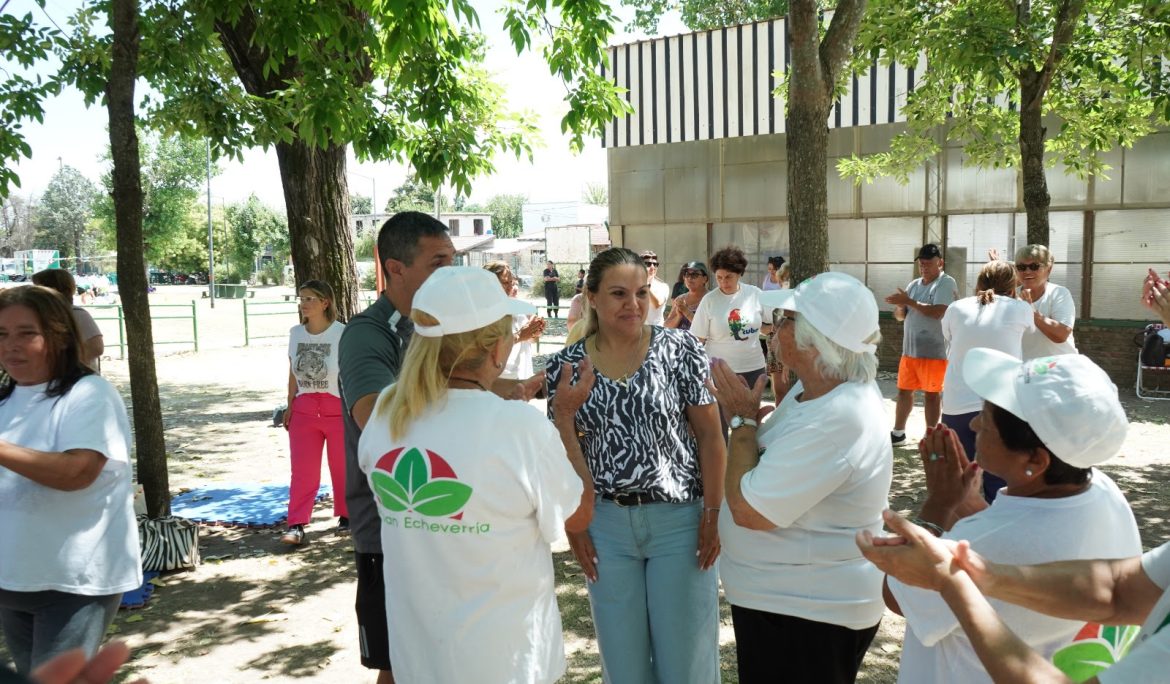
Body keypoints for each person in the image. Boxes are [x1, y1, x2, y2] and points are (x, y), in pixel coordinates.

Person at [858, 354, 1155, 684]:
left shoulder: (992, 540)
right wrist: (968, 503)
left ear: (1034, 459)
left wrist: (939, 505)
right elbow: (1014, 539)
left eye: (985, 423)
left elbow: (897, 593)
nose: (972, 426)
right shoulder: (1102, 491)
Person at [357, 266, 593, 683]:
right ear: (497, 350)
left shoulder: (388, 414)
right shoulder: (519, 428)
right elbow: (577, 515)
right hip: (507, 662)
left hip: (419, 662)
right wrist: (565, 418)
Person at [545, 247, 726, 683]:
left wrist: (713, 513)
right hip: (606, 525)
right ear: (591, 297)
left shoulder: (679, 348)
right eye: (619, 294)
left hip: (679, 522)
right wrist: (576, 525)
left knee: (686, 664)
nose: (633, 304)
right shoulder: (566, 367)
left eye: (641, 293)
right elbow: (560, 455)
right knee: (623, 667)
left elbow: (710, 437)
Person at [706, 271, 891, 684]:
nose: (774, 327)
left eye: (784, 318)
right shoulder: (815, 392)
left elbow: (749, 511)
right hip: (790, 607)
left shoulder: (837, 416)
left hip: (807, 615)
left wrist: (741, 421)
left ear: (814, 339)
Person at [338, 211, 455, 684]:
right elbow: (377, 420)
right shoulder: (369, 333)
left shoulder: (436, 327)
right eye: (438, 262)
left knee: (439, 654)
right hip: (389, 525)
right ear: (396, 269)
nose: (450, 273)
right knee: (396, 665)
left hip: (441, 516)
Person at [0, 286, 140, 675]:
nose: (11, 345)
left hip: (72, 581)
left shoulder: (89, 394)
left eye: (26, 333)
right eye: (1, 334)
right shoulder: (6, 399)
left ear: (58, 336)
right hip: (14, 577)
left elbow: (76, 472)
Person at [939, 260, 1034, 502]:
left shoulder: (956, 308)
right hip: (1003, 404)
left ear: (979, 282)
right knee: (1000, 480)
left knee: (958, 476)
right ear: (1013, 286)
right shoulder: (1021, 309)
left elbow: (949, 337)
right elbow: (1029, 330)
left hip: (957, 401)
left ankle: (956, 531)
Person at [280, 279, 347, 545]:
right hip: (304, 408)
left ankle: (347, 515)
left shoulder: (342, 332)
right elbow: (292, 371)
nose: (304, 304)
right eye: (301, 298)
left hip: (337, 408)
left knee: (342, 467)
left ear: (325, 302)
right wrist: (289, 403)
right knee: (303, 470)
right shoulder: (296, 333)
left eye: (309, 299)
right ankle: (296, 524)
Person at [689, 246, 773, 432]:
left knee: (750, 421)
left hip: (753, 367)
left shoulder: (755, 294)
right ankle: (722, 460)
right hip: (720, 371)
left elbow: (768, 326)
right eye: (719, 277)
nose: (723, 282)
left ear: (739, 274)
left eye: (729, 277)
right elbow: (697, 339)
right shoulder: (710, 300)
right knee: (720, 423)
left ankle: (751, 458)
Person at [886, 243, 958, 446]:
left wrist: (909, 302)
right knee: (903, 391)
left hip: (935, 351)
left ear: (940, 263)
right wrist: (901, 305)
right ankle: (898, 433)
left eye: (929, 263)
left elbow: (938, 311)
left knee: (932, 395)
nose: (924, 267)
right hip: (910, 351)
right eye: (922, 264)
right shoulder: (914, 285)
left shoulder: (946, 282)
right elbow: (900, 317)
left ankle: (931, 435)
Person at [30, 270, 103, 371]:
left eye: (40, 289)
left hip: (75, 381)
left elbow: (96, 348)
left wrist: (58, 366)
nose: (34, 294)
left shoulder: (77, 314)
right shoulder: (41, 315)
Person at [484, 261, 544, 380]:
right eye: (505, 282)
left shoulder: (516, 308)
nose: (511, 287)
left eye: (512, 282)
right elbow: (487, 349)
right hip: (498, 382)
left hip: (519, 378)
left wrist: (534, 332)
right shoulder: (482, 313)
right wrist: (520, 335)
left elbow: (528, 340)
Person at [1015, 245, 1078, 359]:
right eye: (1021, 267)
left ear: (1049, 269)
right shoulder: (1010, 296)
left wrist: (1030, 311)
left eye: (1034, 266)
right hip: (1027, 371)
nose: (1027, 271)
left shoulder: (1059, 293)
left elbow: (1061, 335)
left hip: (1059, 369)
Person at [664, 260, 710, 331]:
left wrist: (685, 311)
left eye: (695, 275)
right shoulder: (681, 298)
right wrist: (679, 317)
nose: (689, 278)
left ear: (705, 279)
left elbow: (707, 329)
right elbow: (666, 327)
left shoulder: (710, 299)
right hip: (681, 341)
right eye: (687, 274)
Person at [639, 250, 671, 326]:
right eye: (648, 264)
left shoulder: (663, 286)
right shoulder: (632, 284)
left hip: (656, 331)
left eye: (655, 264)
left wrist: (645, 286)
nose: (652, 267)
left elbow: (657, 304)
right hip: (637, 330)